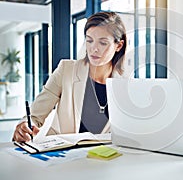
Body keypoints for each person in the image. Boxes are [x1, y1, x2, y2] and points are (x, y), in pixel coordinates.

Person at [13, 11, 127, 142]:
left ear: (118, 45)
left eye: (103, 43)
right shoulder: (66, 70)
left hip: (104, 158)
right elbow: (35, 115)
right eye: (89, 40)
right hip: (61, 155)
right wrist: (24, 127)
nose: (94, 48)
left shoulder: (124, 86)